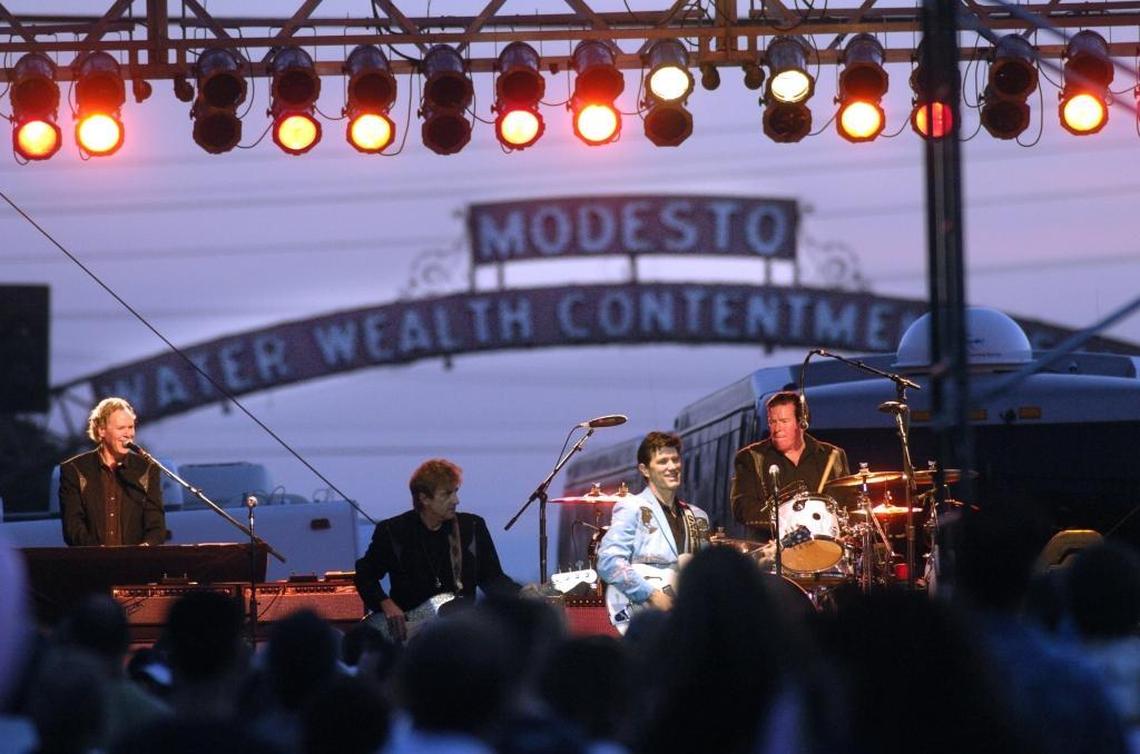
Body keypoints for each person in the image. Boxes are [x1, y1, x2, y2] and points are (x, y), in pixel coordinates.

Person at [354, 458, 519, 642]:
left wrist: (525, 595)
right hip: (409, 637)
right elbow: (365, 574)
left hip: (459, 635)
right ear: (424, 498)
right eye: (447, 494)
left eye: (455, 492)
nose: (456, 500)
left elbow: (493, 579)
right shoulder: (393, 531)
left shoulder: (471, 527)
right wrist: (385, 603)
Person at [596, 431, 709, 614]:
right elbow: (609, 561)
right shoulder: (632, 507)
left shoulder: (698, 516)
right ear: (645, 470)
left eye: (675, 459)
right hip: (644, 614)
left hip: (685, 615)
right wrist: (652, 595)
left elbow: (705, 571)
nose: (672, 466)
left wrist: (757, 561)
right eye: (663, 461)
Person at [730, 390, 850, 533]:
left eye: (784, 421)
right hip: (772, 550)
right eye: (772, 422)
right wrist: (790, 521)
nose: (777, 429)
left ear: (802, 423)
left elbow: (851, 505)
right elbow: (742, 508)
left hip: (827, 548)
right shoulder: (750, 457)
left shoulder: (833, 455)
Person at [59, 397, 166, 546]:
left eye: (131, 427)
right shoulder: (74, 469)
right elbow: (73, 527)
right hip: (91, 564)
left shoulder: (147, 469)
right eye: (121, 428)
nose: (128, 434)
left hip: (136, 564)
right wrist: (98, 553)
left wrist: (145, 547)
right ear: (101, 430)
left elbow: (157, 527)